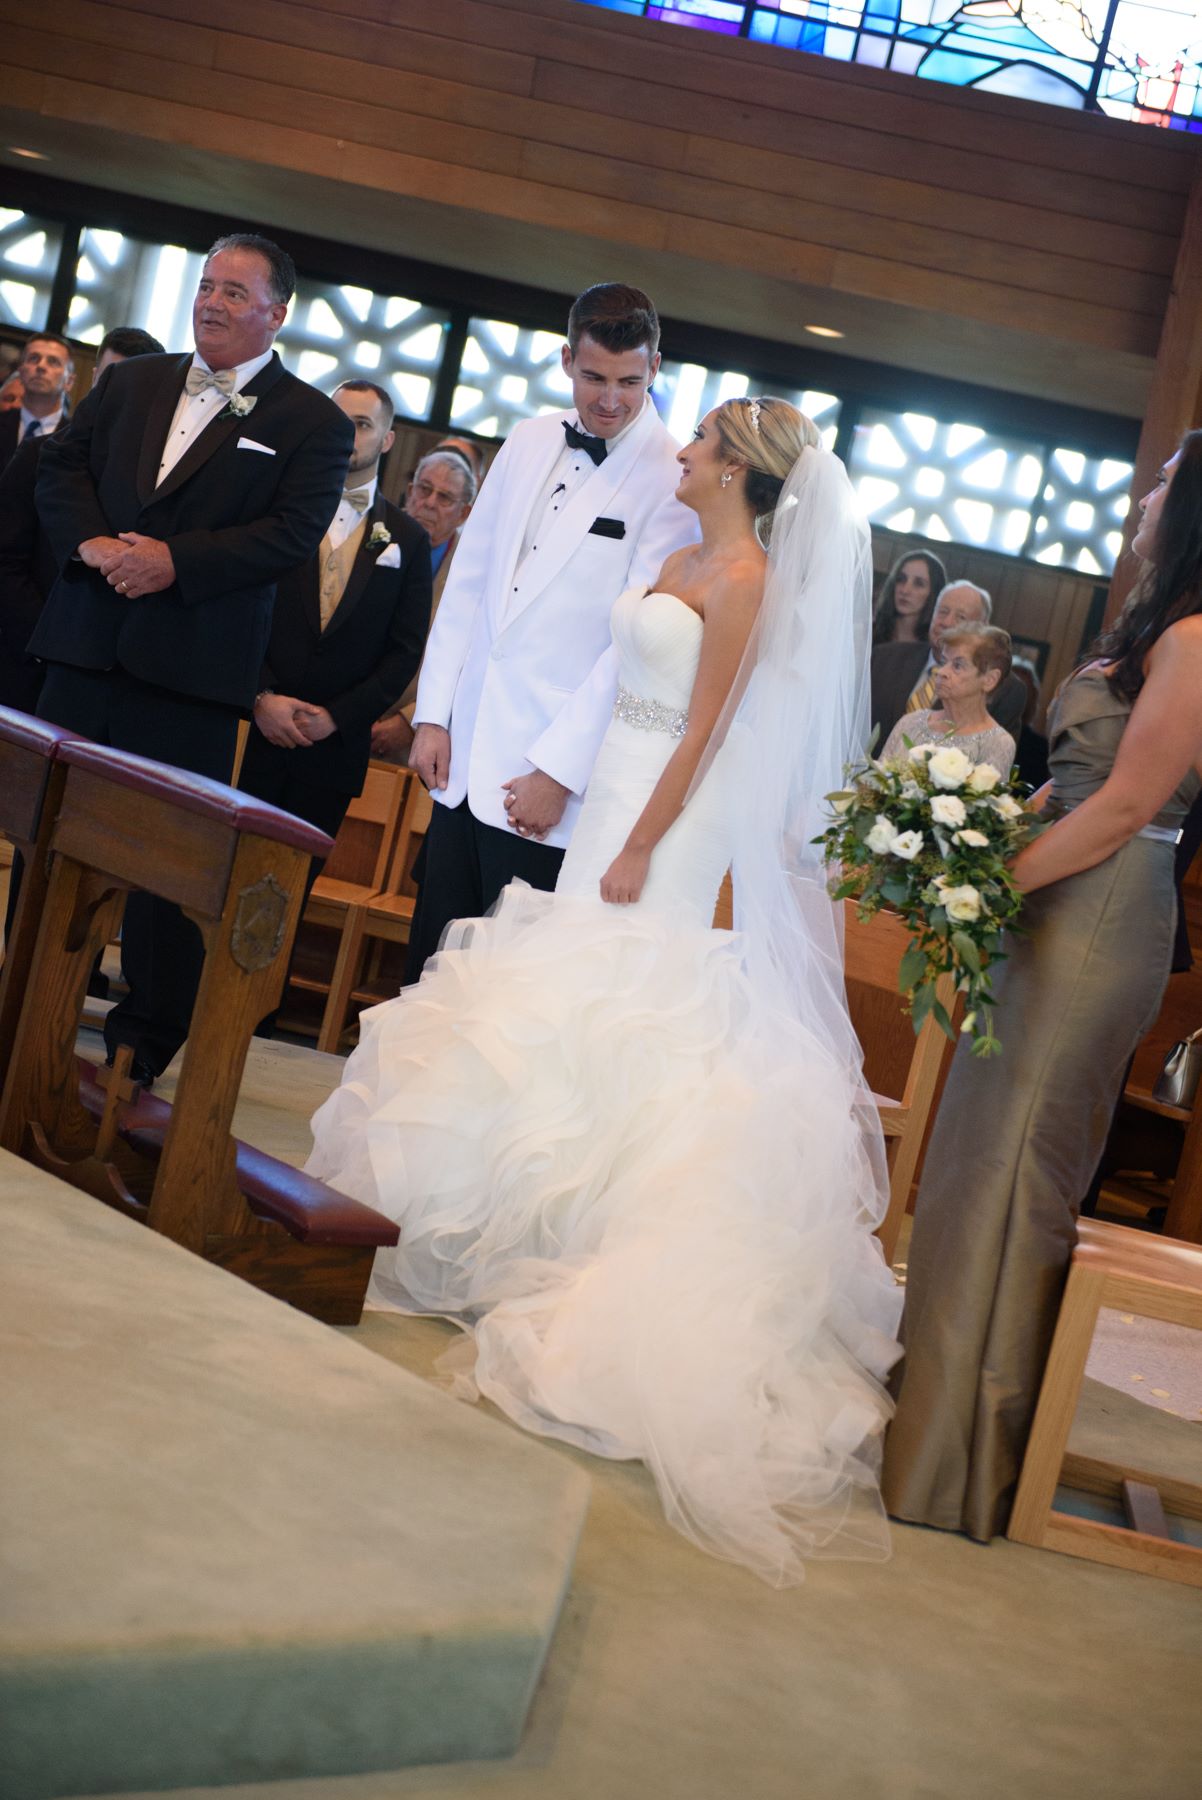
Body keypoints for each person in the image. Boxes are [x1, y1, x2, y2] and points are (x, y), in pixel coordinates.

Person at [306, 397, 902, 1586]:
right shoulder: (680, 553)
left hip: (667, 814)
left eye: (697, 446)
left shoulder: (738, 576)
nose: (678, 454)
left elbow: (712, 729)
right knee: (568, 987)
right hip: (611, 792)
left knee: (635, 996)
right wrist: (593, 805)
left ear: (734, 467)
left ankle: (596, 1251)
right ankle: (512, 1233)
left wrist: (640, 839)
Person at [882, 432, 1202, 1543]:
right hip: (1055, 893)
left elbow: (1124, 806)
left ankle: (959, 1463)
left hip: (1102, 907)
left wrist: (991, 890)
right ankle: (923, 1428)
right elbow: (1067, 786)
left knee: (1018, 1171)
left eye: (1165, 476)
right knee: (976, 1161)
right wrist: (969, 850)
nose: (1147, 487)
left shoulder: (1198, 639)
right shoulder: (1149, 622)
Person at [33, 232, 354, 1084]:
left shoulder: (311, 422)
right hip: (83, 653)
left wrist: (177, 562)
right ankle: (23, 1004)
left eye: (235, 294)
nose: (211, 303)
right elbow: (61, 468)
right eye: (206, 286)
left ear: (277, 314)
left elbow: (289, 534)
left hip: (191, 679)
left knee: (163, 876)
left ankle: (137, 1049)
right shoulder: (132, 380)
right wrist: (95, 544)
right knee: (45, 846)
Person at [404, 281, 698, 982]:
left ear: (655, 369)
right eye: (594, 377)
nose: (609, 399)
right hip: (463, 751)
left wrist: (559, 771)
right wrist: (433, 715)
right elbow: (468, 585)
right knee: (428, 971)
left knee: (500, 988)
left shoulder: (674, 476)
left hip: (546, 775)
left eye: (629, 382)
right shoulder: (530, 437)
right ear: (567, 359)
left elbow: (635, 645)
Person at [238, 378, 431, 879]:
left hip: (331, 753)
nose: (347, 433)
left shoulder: (407, 540)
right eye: (337, 419)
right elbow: (237, 604)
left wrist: (337, 718)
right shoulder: (275, 508)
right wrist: (260, 696)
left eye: (362, 424)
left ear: (387, 439)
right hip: (248, 734)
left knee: (288, 891)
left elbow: (405, 652)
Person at [0, 326, 164, 711]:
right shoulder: (38, 454)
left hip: (99, 674)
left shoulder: (152, 477)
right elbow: (5, 559)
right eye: (110, 378)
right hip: (23, 656)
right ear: (93, 378)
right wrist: (49, 634)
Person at [369, 447, 476, 764]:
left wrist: (409, 720)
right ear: (410, 491)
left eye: (445, 498)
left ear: (464, 513)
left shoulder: (471, 571)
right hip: (340, 715)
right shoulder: (373, 535)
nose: (429, 502)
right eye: (424, 489)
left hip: (414, 734)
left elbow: (469, 659)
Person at [870, 579, 1026, 746]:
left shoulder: (1006, 689)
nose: (947, 622)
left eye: (961, 617)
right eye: (943, 612)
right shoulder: (884, 657)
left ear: (982, 628)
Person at [879, 624, 1016, 776]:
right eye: (944, 662)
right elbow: (875, 788)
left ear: (989, 680)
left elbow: (982, 799)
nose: (942, 672)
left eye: (957, 665)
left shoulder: (997, 744)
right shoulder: (910, 722)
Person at [0, 333, 74, 468]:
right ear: (21, 372)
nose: (41, 366)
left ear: (69, 381)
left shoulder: (77, 438)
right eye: (34, 358)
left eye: (53, 361)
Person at [871, 548, 947, 648]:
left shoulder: (936, 648)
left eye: (919, 583)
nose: (905, 590)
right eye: (901, 579)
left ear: (934, 593)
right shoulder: (867, 632)